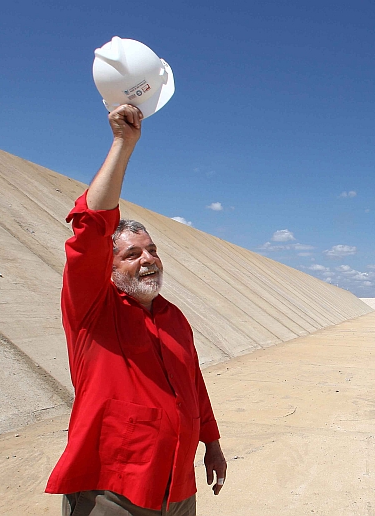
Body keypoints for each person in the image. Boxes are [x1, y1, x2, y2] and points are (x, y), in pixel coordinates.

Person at [46, 104, 227, 515]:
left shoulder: (173, 317)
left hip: (177, 488)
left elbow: (193, 385)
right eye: (131, 254)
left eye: (152, 250)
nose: (148, 259)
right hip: (112, 491)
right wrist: (123, 144)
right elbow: (91, 228)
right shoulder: (93, 311)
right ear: (108, 267)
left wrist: (212, 443)